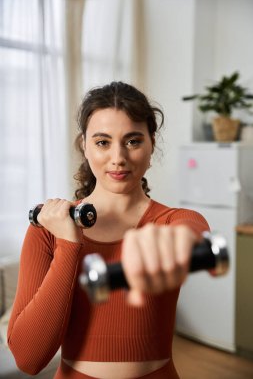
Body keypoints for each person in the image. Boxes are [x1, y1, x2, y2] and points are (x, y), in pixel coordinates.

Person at [8, 81, 209, 379]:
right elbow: (28, 358)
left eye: (133, 141)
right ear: (84, 146)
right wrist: (68, 245)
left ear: (151, 143)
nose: (118, 157)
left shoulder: (175, 220)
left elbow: (190, 238)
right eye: (103, 142)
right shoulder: (48, 230)